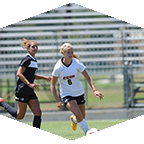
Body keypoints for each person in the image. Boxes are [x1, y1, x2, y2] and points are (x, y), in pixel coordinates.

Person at [51, 43, 104, 135]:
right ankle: (87, 132)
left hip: (79, 92)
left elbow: (88, 77)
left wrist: (95, 90)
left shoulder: (77, 63)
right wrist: (57, 100)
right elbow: (52, 84)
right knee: (79, 114)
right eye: (68, 52)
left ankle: (74, 119)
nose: (70, 54)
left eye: (72, 52)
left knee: (81, 117)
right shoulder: (58, 67)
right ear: (63, 53)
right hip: (67, 94)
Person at [0, 38, 51, 129]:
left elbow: (31, 75)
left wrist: (44, 77)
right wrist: (29, 84)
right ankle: (1, 103)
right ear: (28, 49)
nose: (35, 48)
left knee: (38, 113)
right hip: (23, 89)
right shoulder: (27, 59)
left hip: (29, 90)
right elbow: (19, 73)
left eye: (36, 46)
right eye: (33, 47)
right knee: (20, 116)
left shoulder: (33, 60)